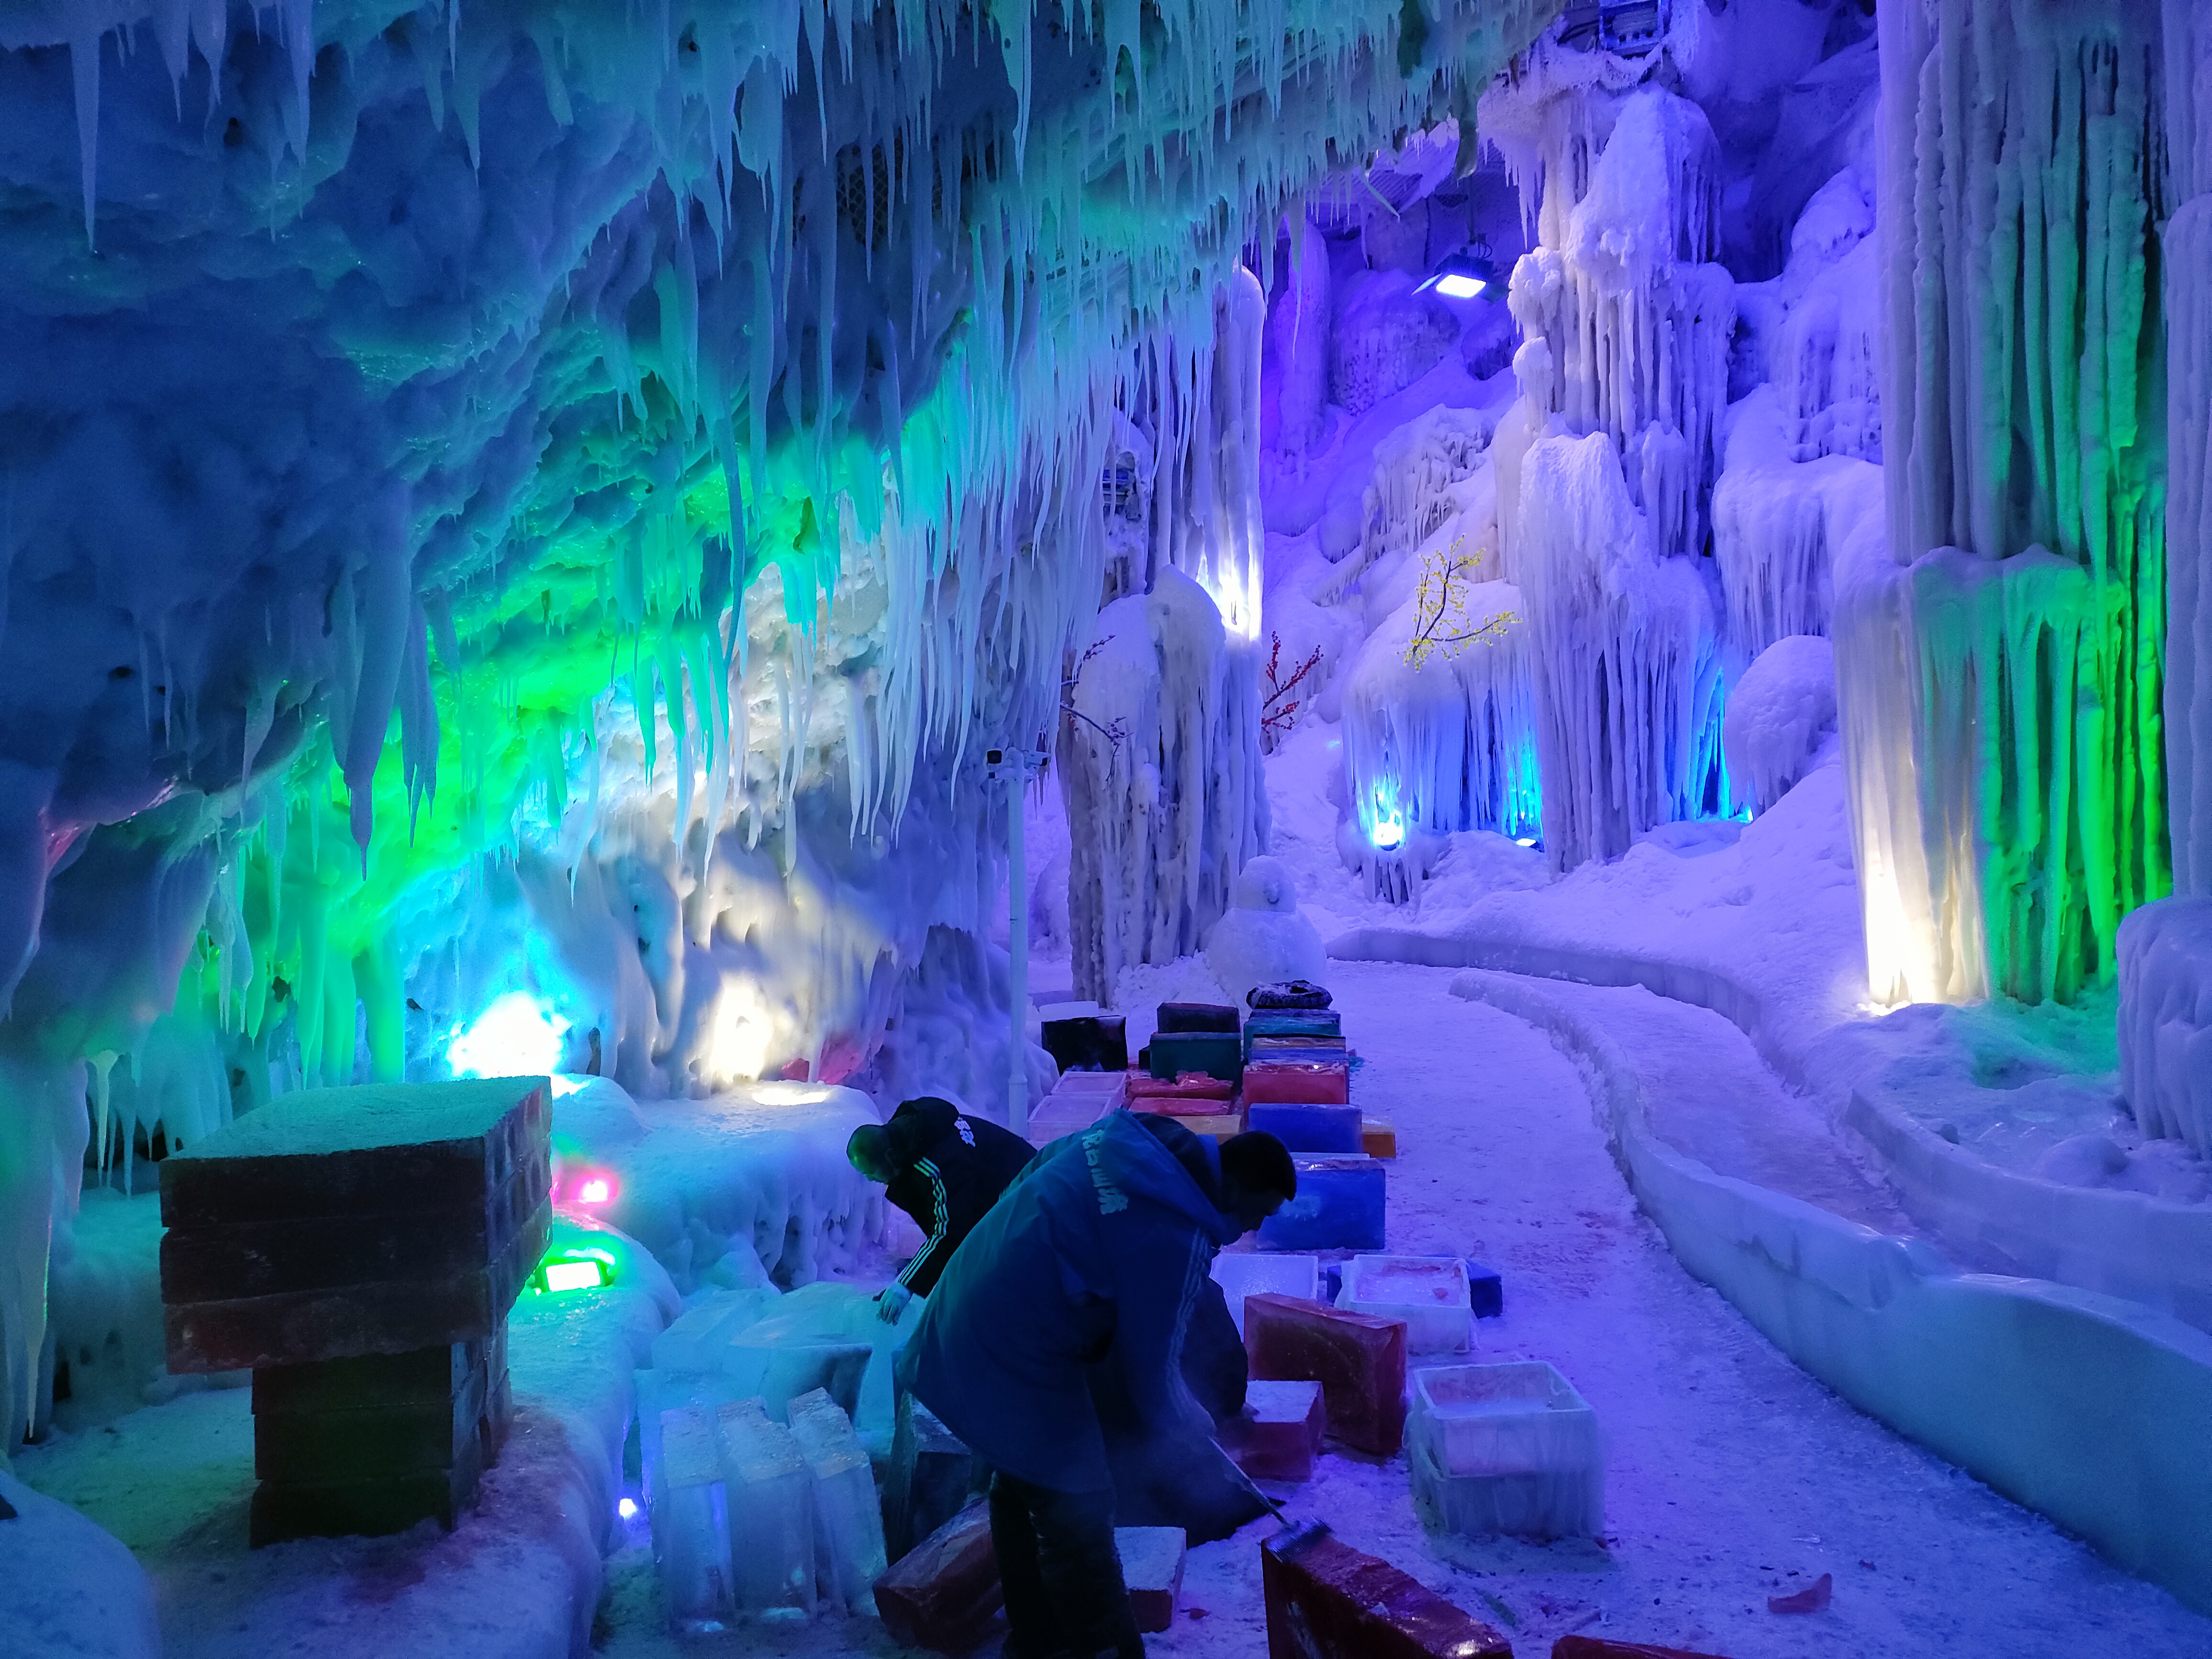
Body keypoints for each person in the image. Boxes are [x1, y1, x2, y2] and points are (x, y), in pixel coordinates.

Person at [900, 1112, 1297, 1659]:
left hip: (965, 1306)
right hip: (1019, 1349)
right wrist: (1192, 1425)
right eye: (1259, 1211)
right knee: (1080, 1509)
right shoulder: (1174, 1234)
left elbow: (1030, 1174)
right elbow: (1151, 1374)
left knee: (1023, 1481)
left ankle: (1036, 1643)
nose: (1253, 1228)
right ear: (1233, 1186)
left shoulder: (1131, 1139)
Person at [848, 1095, 1037, 1322]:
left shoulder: (938, 1165)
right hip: (1018, 1185)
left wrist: (905, 1286)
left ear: (889, 1157)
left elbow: (950, 1232)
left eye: (871, 1172)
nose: (870, 1180)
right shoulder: (916, 1135)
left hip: (1031, 1200)